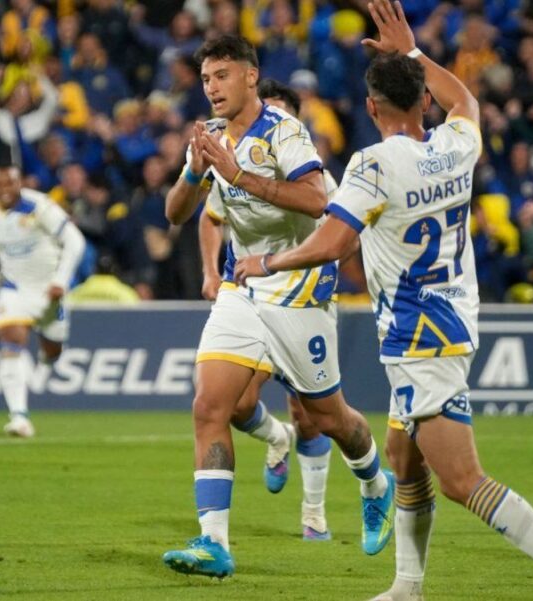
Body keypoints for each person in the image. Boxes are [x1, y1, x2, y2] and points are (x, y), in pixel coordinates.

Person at [234, 4, 533, 600]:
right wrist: (413, 52)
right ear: (423, 103)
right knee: (402, 459)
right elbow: (467, 101)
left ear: (370, 107)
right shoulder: (455, 144)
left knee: (462, 479)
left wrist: (267, 261)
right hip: (448, 315)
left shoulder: (373, 164)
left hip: (421, 333)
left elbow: (334, 243)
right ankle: (407, 587)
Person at [161, 34, 395, 579]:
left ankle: (375, 483)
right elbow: (176, 213)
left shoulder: (284, 132)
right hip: (243, 286)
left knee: (328, 417)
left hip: (301, 286)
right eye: (204, 79)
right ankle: (214, 542)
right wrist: (197, 171)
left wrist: (238, 175)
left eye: (221, 75)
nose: (211, 87)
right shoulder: (212, 138)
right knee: (210, 407)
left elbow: (317, 199)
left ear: (249, 75)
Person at [197, 77, 337, 541]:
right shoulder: (231, 156)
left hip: (300, 299)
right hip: (251, 297)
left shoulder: (317, 181)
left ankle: (314, 513)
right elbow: (209, 215)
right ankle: (276, 438)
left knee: (311, 415)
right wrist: (211, 273)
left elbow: (342, 237)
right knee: (235, 405)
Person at [0, 165, 86, 437]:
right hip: (14, 287)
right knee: (10, 336)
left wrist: (61, 280)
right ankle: (19, 416)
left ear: (20, 183)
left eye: (11, 183)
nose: (6, 190)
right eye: (0, 184)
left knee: (53, 348)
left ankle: (45, 360)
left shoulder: (39, 206)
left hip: (49, 289)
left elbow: (75, 241)